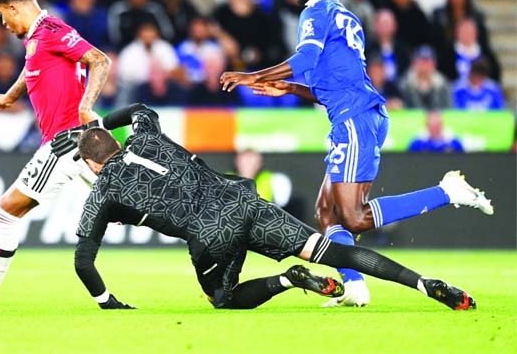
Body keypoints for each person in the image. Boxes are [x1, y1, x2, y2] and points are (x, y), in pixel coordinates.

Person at [219, 0, 493, 307]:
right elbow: (334, 84)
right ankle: (355, 286)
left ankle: (446, 191)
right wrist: (288, 87)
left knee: (354, 217)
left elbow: (305, 59)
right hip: (357, 112)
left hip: (354, 119)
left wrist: (251, 75)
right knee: (326, 212)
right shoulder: (345, 16)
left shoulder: (317, 10)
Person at [67, 104, 477, 311]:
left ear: (90, 163)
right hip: (242, 199)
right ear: (115, 141)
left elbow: (83, 262)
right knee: (335, 251)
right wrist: (99, 123)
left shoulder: (102, 192)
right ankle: (425, 284)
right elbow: (140, 110)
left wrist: (107, 302)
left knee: (222, 299)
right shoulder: (143, 137)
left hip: (210, 235)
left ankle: (287, 280)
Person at [0, 0, 111, 305]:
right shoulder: (39, 37)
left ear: (14, 7)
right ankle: (215, 241)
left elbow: (100, 61)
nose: (2, 22)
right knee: (137, 205)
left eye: (1, 13)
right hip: (75, 141)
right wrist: (10, 95)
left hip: (65, 142)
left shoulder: (52, 32)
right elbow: (33, 68)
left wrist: (86, 106)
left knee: (5, 213)